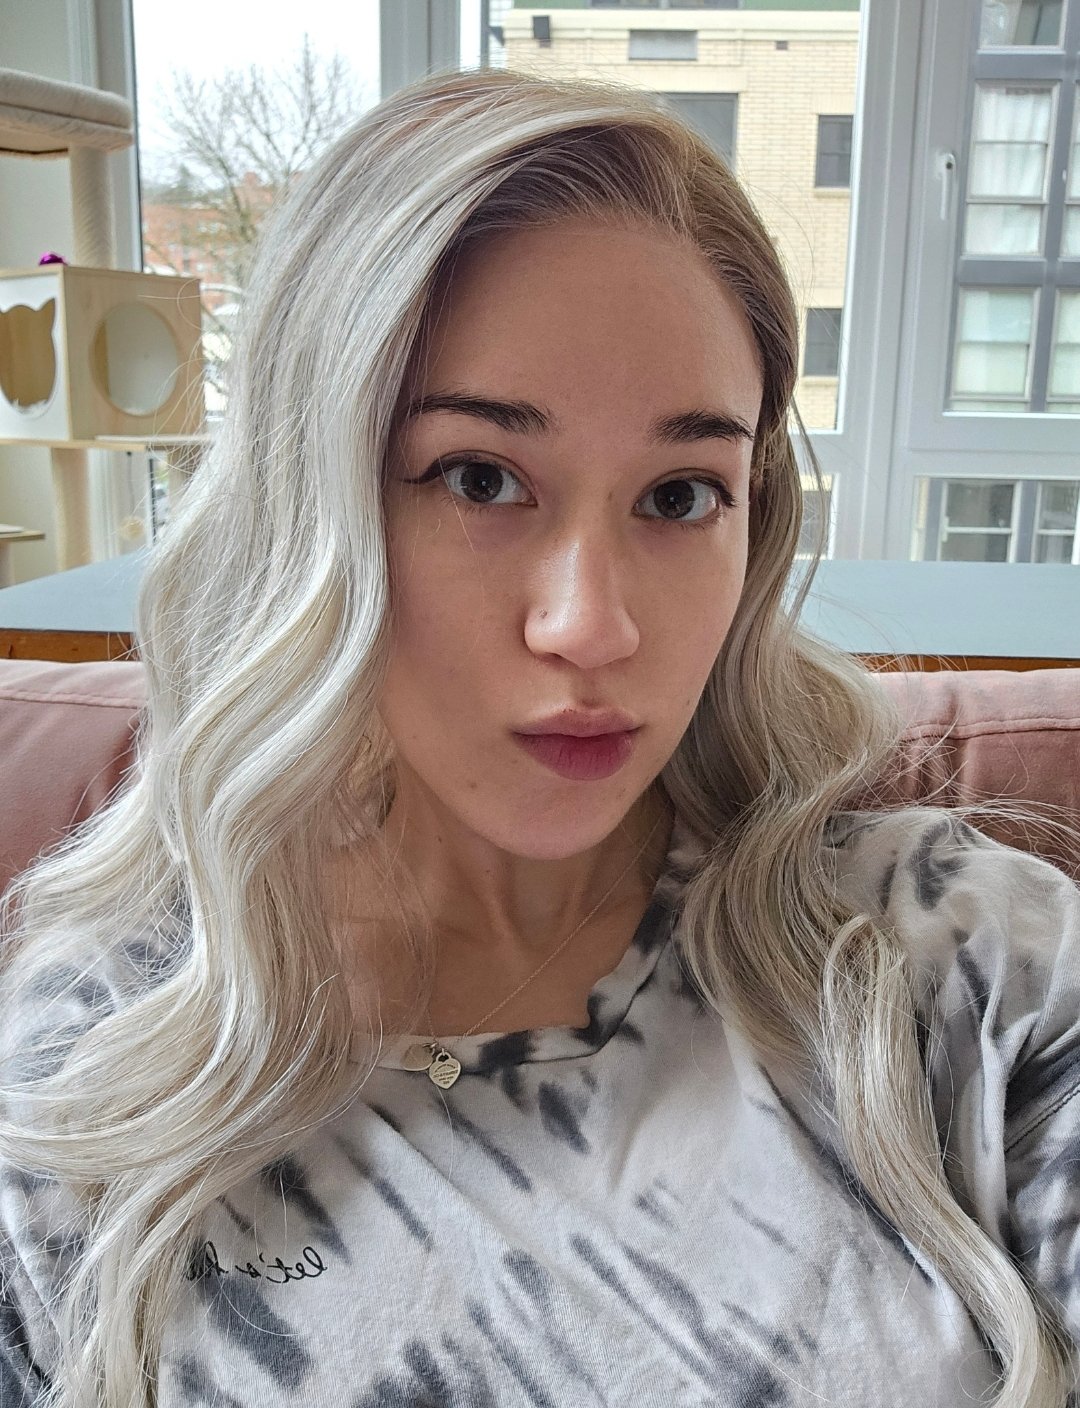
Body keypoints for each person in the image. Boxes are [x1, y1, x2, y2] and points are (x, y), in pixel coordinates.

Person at [1, 64, 1079, 1408]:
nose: (593, 626)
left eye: (680, 496)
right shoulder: (94, 1070)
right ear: (308, 502)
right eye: (480, 477)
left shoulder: (967, 965)